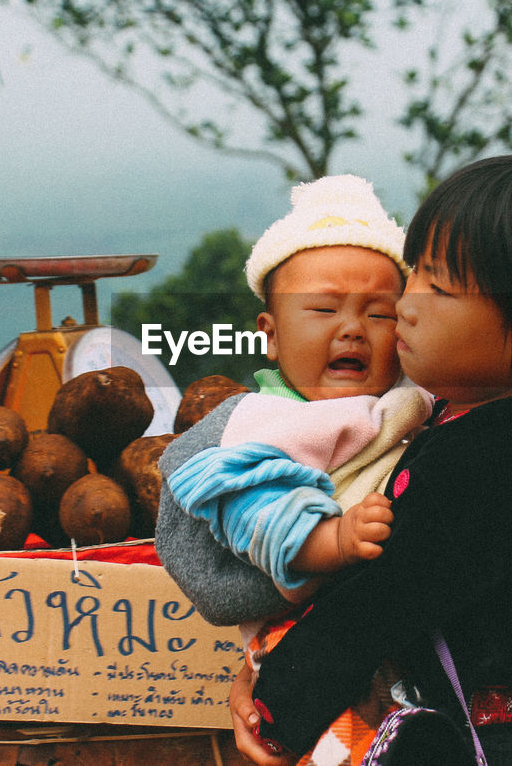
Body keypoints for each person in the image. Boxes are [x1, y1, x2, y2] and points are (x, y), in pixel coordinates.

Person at [231, 150, 512, 766]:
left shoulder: (489, 459)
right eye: (416, 273)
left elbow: (384, 600)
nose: (405, 303)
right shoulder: (489, 425)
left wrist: (276, 707)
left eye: (440, 285)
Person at [155, 173, 433, 764]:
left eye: (379, 314)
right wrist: (329, 539)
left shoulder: (413, 406)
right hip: (302, 646)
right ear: (271, 336)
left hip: (408, 664)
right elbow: (257, 512)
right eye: (324, 309)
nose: (352, 327)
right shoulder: (262, 424)